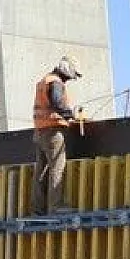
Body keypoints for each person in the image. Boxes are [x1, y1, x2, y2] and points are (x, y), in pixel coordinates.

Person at [32, 55, 83, 214]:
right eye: (70, 76)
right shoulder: (55, 82)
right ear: (66, 69)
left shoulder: (45, 80)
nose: (69, 79)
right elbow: (57, 102)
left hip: (40, 131)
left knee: (41, 171)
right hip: (53, 132)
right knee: (57, 168)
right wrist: (70, 114)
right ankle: (56, 206)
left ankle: (38, 209)